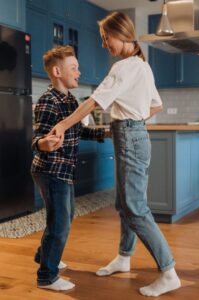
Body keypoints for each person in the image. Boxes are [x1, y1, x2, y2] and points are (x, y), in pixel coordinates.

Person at [50, 12, 181, 297]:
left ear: (121, 35)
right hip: (133, 136)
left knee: (135, 208)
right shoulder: (141, 66)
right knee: (124, 203)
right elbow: (156, 105)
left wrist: (61, 124)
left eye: (105, 38)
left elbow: (93, 104)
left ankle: (168, 271)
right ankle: (124, 257)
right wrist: (132, 121)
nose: (103, 44)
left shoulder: (124, 68)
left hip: (130, 138)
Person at [31, 45, 108, 291]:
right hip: (51, 170)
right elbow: (37, 138)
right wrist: (44, 144)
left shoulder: (70, 99)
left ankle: (44, 255)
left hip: (63, 170)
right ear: (57, 71)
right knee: (60, 222)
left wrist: (103, 133)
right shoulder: (48, 101)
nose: (79, 72)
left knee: (65, 215)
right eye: (73, 68)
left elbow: (78, 129)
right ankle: (47, 276)